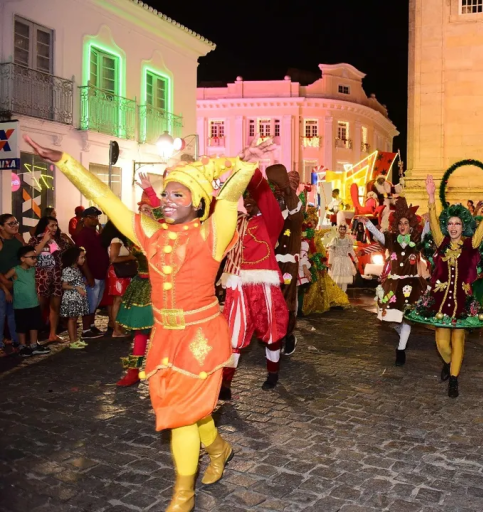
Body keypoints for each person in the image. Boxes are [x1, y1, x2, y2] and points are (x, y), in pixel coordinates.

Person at [25, 134, 275, 511]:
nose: (169, 200)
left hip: (200, 336)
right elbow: (108, 200)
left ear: (198, 202)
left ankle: (182, 495)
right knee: (186, 410)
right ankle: (220, 449)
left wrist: (245, 166)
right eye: (167, 193)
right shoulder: (151, 233)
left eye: (179, 195)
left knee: (182, 419)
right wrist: (64, 161)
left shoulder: (213, 232)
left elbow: (227, 198)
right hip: (165, 335)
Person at [405, 175, 483, 398]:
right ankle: (451, 364)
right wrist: (431, 196)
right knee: (441, 342)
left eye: (457, 223)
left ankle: (454, 379)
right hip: (440, 301)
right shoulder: (441, 242)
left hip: (464, 300)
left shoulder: (472, 244)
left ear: (464, 226)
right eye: (450, 223)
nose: (453, 227)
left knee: (458, 338)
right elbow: (432, 217)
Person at [219, 167, 289, 396]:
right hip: (236, 285)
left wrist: (253, 174)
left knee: (271, 330)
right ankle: (225, 384)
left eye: (252, 196)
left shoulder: (271, 222)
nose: (247, 200)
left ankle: (273, 372)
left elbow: (267, 199)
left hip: (263, 285)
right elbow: (213, 208)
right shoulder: (235, 221)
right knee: (233, 334)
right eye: (245, 196)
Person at [362, 197, 425, 366]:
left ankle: (401, 350)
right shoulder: (391, 239)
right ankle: (401, 334)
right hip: (394, 285)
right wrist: (368, 223)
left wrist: (430, 217)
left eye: (406, 223)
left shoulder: (417, 241)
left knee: (407, 319)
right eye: (400, 223)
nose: (403, 226)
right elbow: (379, 236)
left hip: (411, 286)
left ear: (411, 225)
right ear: (397, 225)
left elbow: (427, 234)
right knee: (390, 319)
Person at [114, 183, 162, 386]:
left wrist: (151, 192)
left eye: (149, 210)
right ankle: (133, 371)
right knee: (140, 333)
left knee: (163, 333)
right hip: (141, 285)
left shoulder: (164, 232)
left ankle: (162, 373)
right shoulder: (135, 233)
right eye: (142, 209)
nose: (145, 213)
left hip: (162, 287)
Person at [268, 166, 304, 359]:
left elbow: (296, 213)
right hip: (270, 261)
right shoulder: (274, 205)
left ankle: (287, 334)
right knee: (271, 298)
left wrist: (288, 192)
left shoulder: (296, 205)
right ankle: (274, 335)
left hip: (289, 261)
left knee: (287, 300)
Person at [3, 246, 50, 357]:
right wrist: (7, 292)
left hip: (33, 303)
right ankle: (22, 346)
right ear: (22, 258)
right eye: (32, 257)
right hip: (20, 305)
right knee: (22, 326)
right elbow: (3, 280)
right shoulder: (15, 270)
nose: (35, 260)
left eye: (35, 257)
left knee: (34, 324)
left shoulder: (34, 270)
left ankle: (34, 345)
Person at [32, 215, 73, 342]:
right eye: (51, 225)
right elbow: (33, 254)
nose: (55, 228)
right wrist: (44, 240)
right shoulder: (35, 239)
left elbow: (73, 250)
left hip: (57, 277)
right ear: (45, 226)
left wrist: (68, 239)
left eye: (56, 225)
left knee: (55, 307)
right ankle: (35, 337)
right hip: (41, 278)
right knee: (39, 307)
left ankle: (52, 334)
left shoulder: (59, 240)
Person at [73, 206, 109, 338]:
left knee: (95, 302)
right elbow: (82, 257)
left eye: (96, 217)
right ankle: (86, 329)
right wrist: (88, 275)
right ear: (85, 219)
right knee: (89, 302)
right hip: (91, 274)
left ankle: (92, 325)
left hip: (100, 273)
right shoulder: (84, 234)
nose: (95, 219)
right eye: (92, 217)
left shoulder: (95, 232)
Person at [102, 221, 134, 337]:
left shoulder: (117, 240)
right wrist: (131, 257)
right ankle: (117, 330)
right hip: (118, 274)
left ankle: (118, 328)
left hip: (119, 273)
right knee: (118, 301)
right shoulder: (116, 240)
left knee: (119, 301)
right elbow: (113, 259)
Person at [0, 214, 24, 354]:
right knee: (1, 314)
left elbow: (25, 257)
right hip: (3, 284)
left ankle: (16, 342)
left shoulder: (18, 238)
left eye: (16, 222)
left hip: (15, 283)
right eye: (11, 224)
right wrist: (4, 284)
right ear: (1, 227)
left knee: (13, 315)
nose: (15, 225)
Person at [60, 246, 89, 350]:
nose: (83, 259)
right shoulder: (68, 270)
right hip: (71, 297)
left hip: (76, 297)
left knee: (75, 319)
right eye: (81, 257)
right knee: (72, 319)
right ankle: (72, 340)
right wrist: (76, 287)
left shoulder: (76, 269)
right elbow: (64, 285)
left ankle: (75, 339)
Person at [328, 224, 358, 292]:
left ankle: (344, 294)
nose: (342, 231)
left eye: (343, 229)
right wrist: (330, 262)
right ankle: (338, 295)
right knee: (337, 279)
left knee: (345, 279)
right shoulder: (335, 240)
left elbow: (351, 251)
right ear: (338, 230)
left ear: (345, 230)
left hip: (345, 261)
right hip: (337, 261)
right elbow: (331, 252)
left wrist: (356, 260)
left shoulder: (348, 240)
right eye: (340, 229)